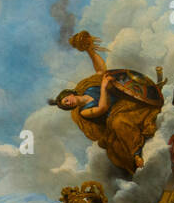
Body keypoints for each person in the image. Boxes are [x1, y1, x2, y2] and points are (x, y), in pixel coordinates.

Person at [51, 30, 164, 175]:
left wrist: (89, 50)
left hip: (127, 102)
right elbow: (103, 108)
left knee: (141, 107)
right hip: (114, 115)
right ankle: (136, 153)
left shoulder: (86, 86)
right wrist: (104, 87)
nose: (69, 103)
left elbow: (101, 71)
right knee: (119, 122)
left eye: (66, 100)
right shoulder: (83, 112)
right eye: (66, 105)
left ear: (69, 94)